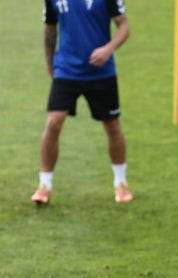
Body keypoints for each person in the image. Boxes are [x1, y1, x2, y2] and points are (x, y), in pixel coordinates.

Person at [32, 0, 132, 204]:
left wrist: (108, 48)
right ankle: (44, 185)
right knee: (53, 123)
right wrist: (50, 64)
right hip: (67, 70)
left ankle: (120, 182)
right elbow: (50, 28)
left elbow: (124, 25)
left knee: (112, 126)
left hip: (101, 71)